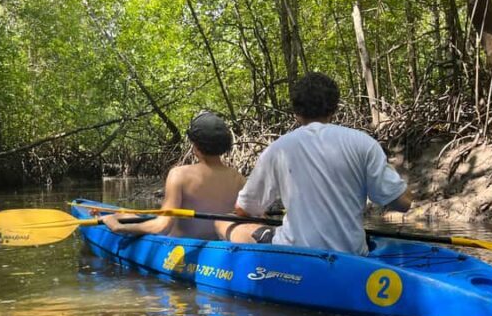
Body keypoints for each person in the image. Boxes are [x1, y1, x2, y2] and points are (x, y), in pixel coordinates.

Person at [215, 72, 412, 255]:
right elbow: (403, 203)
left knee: (221, 222)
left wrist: (259, 214)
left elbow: (243, 209)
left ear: (296, 111)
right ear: (334, 108)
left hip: (295, 254)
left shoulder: (277, 149)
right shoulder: (364, 144)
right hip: (352, 255)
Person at [103, 111, 245, 240]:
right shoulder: (239, 179)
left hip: (180, 248)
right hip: (219, 248)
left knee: (133, 218)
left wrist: (118, 227)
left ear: (195, 145)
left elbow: (162, 227)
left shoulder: (179, 174)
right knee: (129, 215)